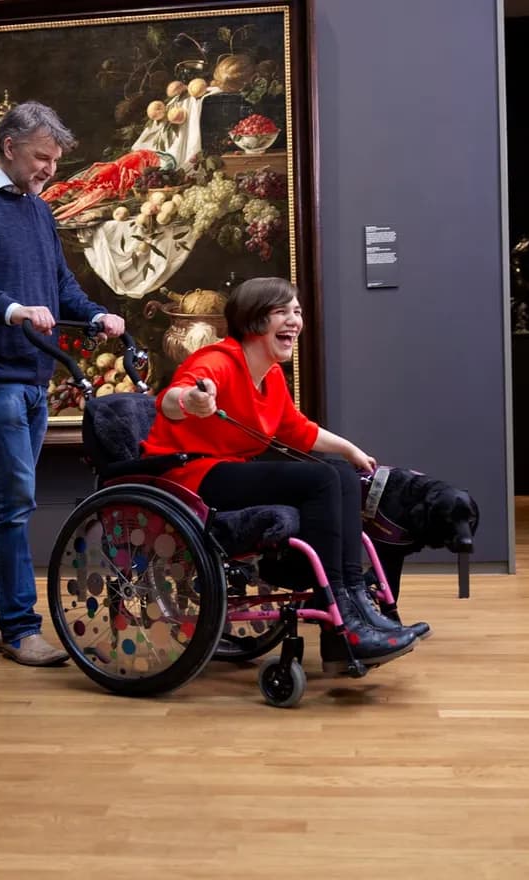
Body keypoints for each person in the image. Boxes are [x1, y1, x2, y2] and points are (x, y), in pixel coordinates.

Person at [142, 276, 428, 674]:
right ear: (253, 320)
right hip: (188, 477)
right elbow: (172, 400)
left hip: (227, 473)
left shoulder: (271, 376)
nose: (295, 320)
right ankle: (342, 619)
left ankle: (355, 605)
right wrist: (192, 400)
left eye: (297, 311)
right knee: (321, 480)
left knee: (340, 473)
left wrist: (349, 450)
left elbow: (296, 429)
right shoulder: (217, 361)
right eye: (282, 312)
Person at [0, 101, 126, 667]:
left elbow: (61, 284)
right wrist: (12, 308)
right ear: (9, 146)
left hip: (32, 376)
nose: (50, 169)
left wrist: (96, 314)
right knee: (15, 500)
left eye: (55, 160)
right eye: (42, 157)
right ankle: (20, 628)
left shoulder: (39, 211)